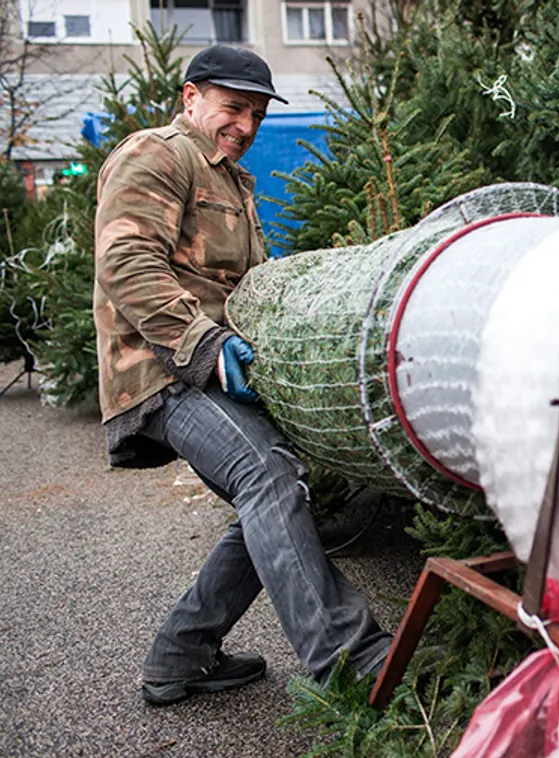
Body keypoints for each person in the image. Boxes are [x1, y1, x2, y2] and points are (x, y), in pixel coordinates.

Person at [93, 45, 392, 706]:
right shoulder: (159, 155)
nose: (247, 126)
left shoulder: (232, 179)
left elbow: (245, 291)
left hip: (201, 370)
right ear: (191, 96)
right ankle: (355, 662)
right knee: (268, 475)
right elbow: (125, 259)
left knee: (277, 496)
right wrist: (202, 344)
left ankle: (181, 657)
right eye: (234, 108)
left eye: (256, 114)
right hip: (160, 370)